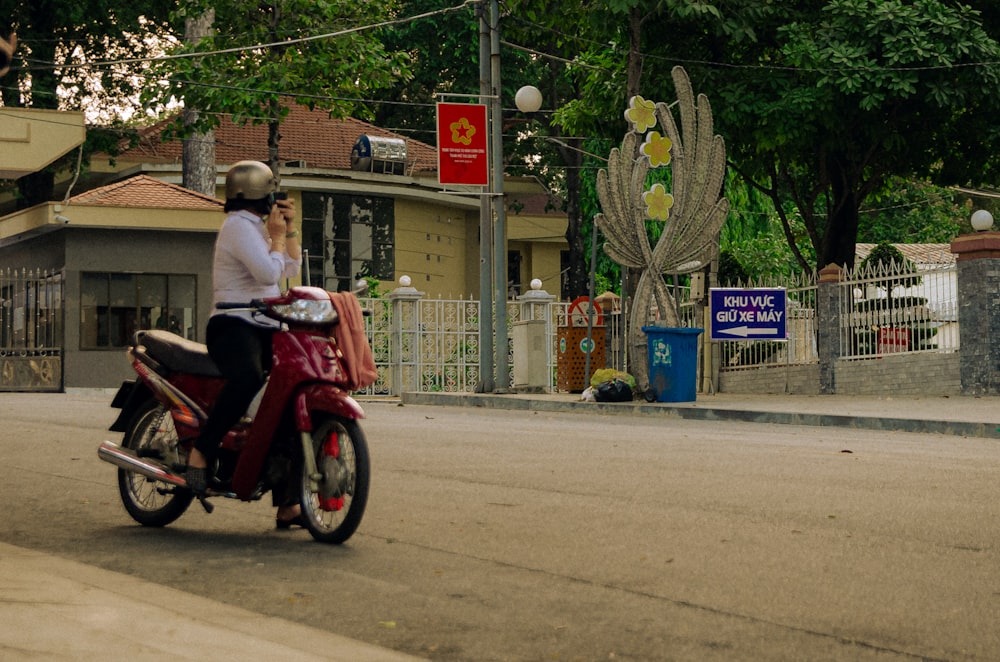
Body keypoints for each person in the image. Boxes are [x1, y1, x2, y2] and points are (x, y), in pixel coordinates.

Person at [185, 160, 304, 528]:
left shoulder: (258, 228)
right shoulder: (238, 227)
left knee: (287, 397)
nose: (274, 199)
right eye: (270, 193)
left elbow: (289, 270)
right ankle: (202, 451)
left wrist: (290, 231)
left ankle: (287, 503)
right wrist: (277, 237)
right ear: (256, 195)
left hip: (264, 323)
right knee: (249, 378)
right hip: (231, 324)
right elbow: (268, 272)